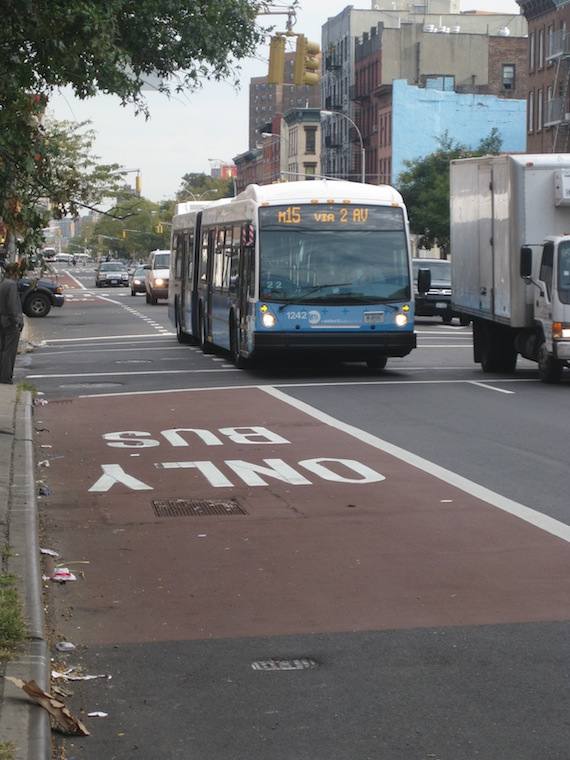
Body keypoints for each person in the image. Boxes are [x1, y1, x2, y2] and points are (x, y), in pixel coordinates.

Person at [0, 263, 24, 384]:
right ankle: (6, 377)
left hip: (2, 320)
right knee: (9, 351)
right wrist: (18, 321)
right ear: (13, 273)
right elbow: (12, 306)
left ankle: (2, 375)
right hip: (10, 322)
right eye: (17, 273)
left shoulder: (3, 283)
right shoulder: (11, 285)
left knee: (3, 349)